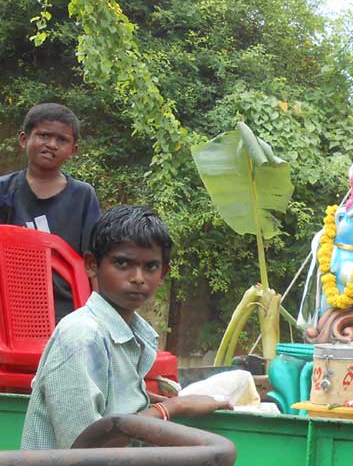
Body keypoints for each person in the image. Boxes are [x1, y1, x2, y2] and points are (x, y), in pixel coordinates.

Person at [20, 206, 231, 450]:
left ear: (163, 273)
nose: (138, 278)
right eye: (122, 263)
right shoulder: (81, 336)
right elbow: (83, 448)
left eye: (151, 267)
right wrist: (171, 408)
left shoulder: (131, 334)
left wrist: (149, 399)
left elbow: (110, 401)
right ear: (92, 265)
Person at [0, 103, 101, 321]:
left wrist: (98, 318)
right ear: (24, 139)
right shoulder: (3, 191)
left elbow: (94, 261)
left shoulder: (83, 196)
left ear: (74, 150)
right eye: (44, 135)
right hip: (8, 311)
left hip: (67, 311)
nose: (52, 145)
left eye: (62, 140)